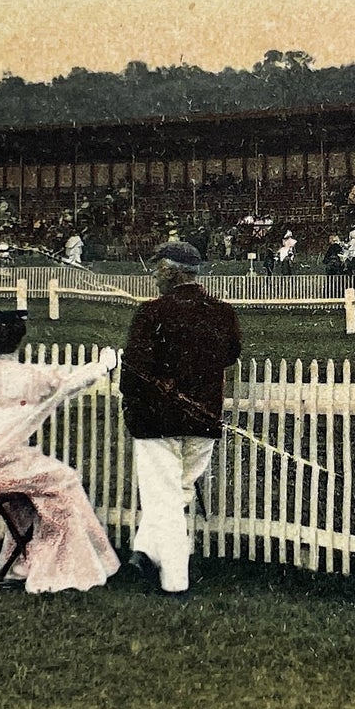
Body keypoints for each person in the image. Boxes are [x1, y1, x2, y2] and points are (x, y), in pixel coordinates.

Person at [0, 310, 120, 594]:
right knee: (64, 482)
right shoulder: (28, 377)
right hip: (3, 463)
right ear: (19, 339)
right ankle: (60, 567)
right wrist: (103, 365)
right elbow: (70, 384)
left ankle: (17, 563)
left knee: (26, 494)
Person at [120, 241, 242, 594]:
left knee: (165, 501)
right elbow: (230, 355)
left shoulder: (151, 313)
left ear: (171, 272)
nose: (154, 278)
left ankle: (175, 581)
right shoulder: (222, 312)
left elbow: (133, 373)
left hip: (157, 422)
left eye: (156, 270)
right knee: (178, 493)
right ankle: (144, 552)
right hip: (203, 419)